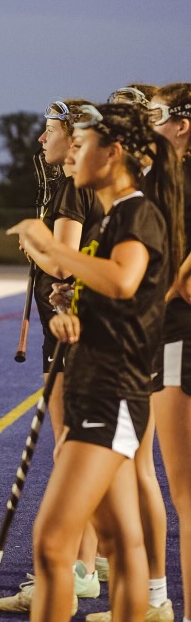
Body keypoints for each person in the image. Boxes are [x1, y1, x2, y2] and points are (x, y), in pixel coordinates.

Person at [7, 102, 183, 622]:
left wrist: (51, 250)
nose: (74, 153)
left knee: (53, 544)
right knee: (119, 540)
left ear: (114, 153)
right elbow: (118, 300)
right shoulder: (111, 219)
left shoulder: (136, 213)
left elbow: (124, 280)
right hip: (101, 385)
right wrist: (72, 315)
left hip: (111, 394)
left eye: (83, 144)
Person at [0, 99, 104, 615]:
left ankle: (71, 570)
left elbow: (62, 266)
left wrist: (34, 243)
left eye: (48, 130)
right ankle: (85, 564)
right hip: (71, 328)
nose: (41, 139)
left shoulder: (69, 187)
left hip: (71, 331)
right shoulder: (78, 184)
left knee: (69, 453)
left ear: (72, 134)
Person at [149, 84, 191, 622]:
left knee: (187, 494)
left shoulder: (179, 180)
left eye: (155, 117)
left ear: (182, 124)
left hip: (179, 339)